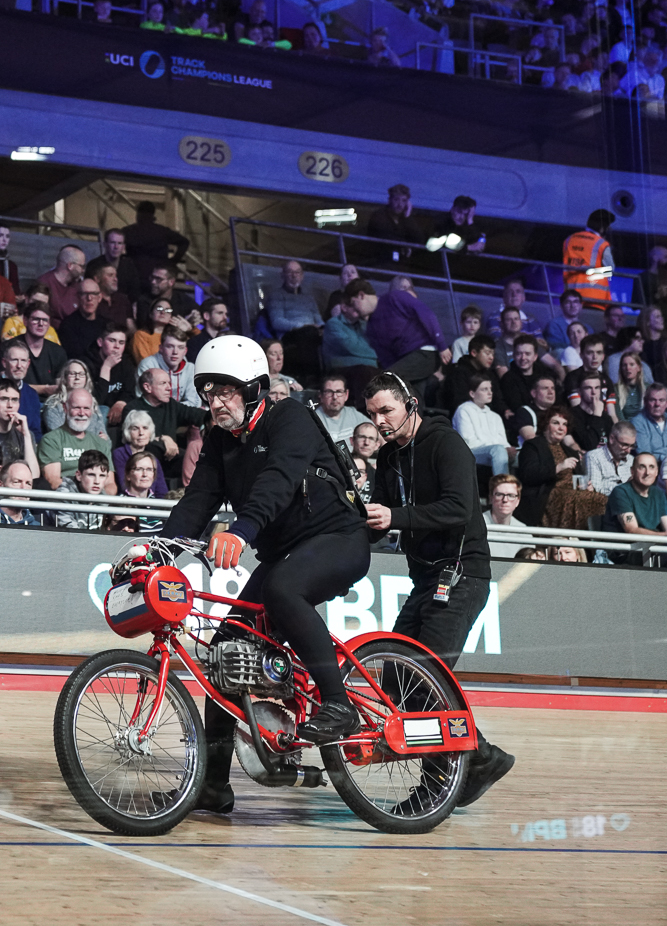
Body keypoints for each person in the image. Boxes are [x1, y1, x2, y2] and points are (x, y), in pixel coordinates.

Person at [161, 337, 370, 814]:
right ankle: (212, 786)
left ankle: (339, 703)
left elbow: (279, 477)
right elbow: (197, 501)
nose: (214, 401)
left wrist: (242, 530)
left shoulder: (289, 418)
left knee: (281, 589)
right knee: (224, 654)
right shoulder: (218, 439)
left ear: (255, 389)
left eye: (225, 391)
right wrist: (155, 552)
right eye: (207, 391)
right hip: (285, 552)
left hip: (338, 540)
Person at [361, 369, 515, 804]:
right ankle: (481, 758)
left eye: (386, 410)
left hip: (463, 573)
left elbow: (458, 507)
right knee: (396, 673)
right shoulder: (389, 458)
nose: (381, 422)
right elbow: (381, 522)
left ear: (410, 404)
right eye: (373, 415)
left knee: (425, 678)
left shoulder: (445, 443)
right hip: (427, 579)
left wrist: (396, 517)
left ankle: (435, 786)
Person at [561, 209, 615, 304]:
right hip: (594, 298)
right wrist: (590, 271)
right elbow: (610, 270)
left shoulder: (569, 239)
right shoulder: (602, 244)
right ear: (602, 228)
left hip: (570, 297)